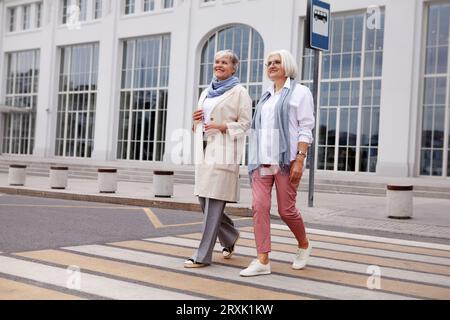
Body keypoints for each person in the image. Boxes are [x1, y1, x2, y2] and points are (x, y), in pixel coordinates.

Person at [240, 50, 315, 277]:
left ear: (287, 65)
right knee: (259, 207)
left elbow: (305, 128)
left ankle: (303, 244)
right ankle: (262, 259)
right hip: (263, 161)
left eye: (276, 62)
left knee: (286, 210)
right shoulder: (266, 95)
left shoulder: (300, 92)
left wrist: (300, 159)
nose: (271, 65)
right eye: (268, 63)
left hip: (285, 161)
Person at [185, 50, 252, 268]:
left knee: (213, 207)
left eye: (224, 62)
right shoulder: (206, 92)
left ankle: (202, 256)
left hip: (223, 153)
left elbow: (245, 125)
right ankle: (230, 236)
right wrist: (195, 120)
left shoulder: (240, 92)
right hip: (204, 152)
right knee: (204, 203)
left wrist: (222, 126)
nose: (219, 65)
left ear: (234, 68)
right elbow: (200, 123)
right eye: (216, 62)